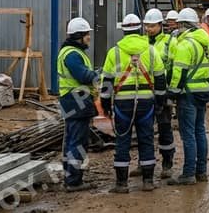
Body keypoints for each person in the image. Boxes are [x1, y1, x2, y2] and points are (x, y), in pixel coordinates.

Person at [100, 13, 167, 193]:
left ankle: (121, 184)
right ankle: (148, 181)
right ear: (140, 30)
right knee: (146, 140)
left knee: (123, 140)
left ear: (123, 31)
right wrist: (160, 103)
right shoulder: (151, 51)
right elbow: (160, 79)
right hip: (146, 103)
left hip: (123, 104)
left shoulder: (114, 52)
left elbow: (107, 82)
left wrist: (105, 105)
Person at [167, 7, 209, 185]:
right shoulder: (206, 43)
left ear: (182, 25)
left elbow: (179, 73)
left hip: (188, 94)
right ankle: (201, 171)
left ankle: (188, 174)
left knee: (188, 135)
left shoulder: (185, 45)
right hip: (203, 91)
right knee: (200, 131)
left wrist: (172, 92)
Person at [57, 17, 99, 192]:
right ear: (79, 36)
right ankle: (74, 181)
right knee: (78, 142)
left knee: (71, 140)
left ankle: (70, 176)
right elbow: (83, 76)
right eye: (87, 34)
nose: (89, 37)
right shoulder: (73, 55)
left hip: (72, 100)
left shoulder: (71, 52)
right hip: (77, 100)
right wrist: (99, 75)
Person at [144, 8, 177, 179]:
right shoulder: (142, 43)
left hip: (163, 93)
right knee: (144, 130)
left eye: (152, 26)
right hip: (146, 93)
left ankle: (167, 162)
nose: (149, 29)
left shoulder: (169, 42)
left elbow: (174, 66)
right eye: (147, 26)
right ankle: (144, 163)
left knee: (164, 127)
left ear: (160, 25)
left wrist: (170, 91)